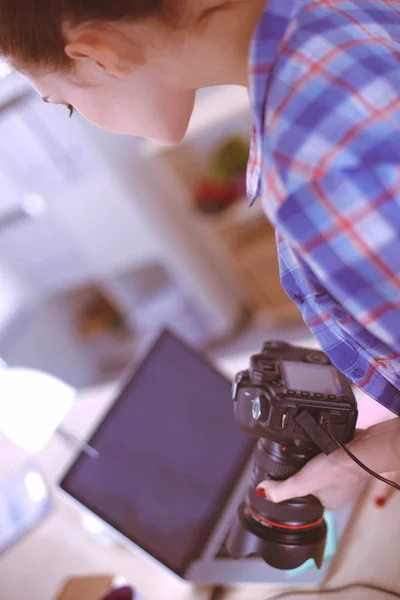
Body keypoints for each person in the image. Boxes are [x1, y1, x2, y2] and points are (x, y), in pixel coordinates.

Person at [1, 0, 400, 509]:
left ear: (100, 55)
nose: (85, 120)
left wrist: (362, 459)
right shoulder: (334, 13)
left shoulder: (311, 167)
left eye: (68, 104)